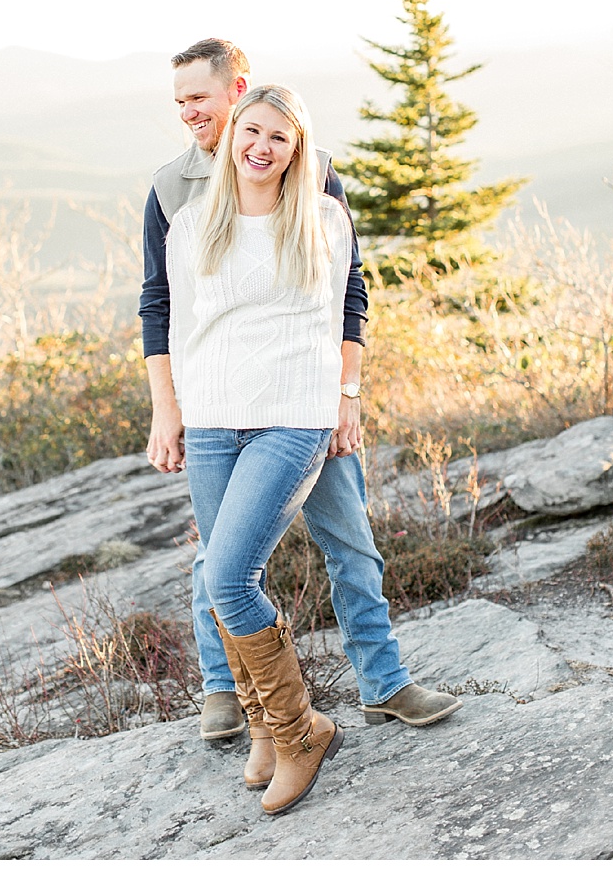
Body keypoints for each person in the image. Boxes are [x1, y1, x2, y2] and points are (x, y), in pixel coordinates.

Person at [138, 43, 460, 783]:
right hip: (221, 404)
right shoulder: (171, 190)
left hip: (303, 401)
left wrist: (345, 398)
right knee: (218, 558)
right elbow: (162, 307)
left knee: (348, 536)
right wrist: (169, 408)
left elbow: (345, 293)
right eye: (178, 101)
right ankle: (238, 699)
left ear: (238, 94)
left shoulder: (309, 174)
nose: (191, 112)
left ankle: (383, 682)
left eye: (201, 98)